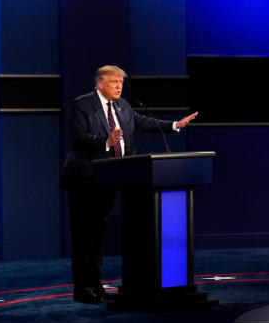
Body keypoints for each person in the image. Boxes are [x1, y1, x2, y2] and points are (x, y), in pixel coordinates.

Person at [59, 65, 198, 304]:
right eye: (114, 82)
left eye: (121, 83)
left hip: (113, 178)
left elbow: (143, 122)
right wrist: (106, 140)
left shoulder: (122, 106)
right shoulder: (81, 105)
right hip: (85, 179)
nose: (119, 87)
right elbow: (78, 138)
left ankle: (97, 285)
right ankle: (83, 289)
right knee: (85, 236)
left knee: (98, 234)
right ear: (100, 84)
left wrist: (175, 125)